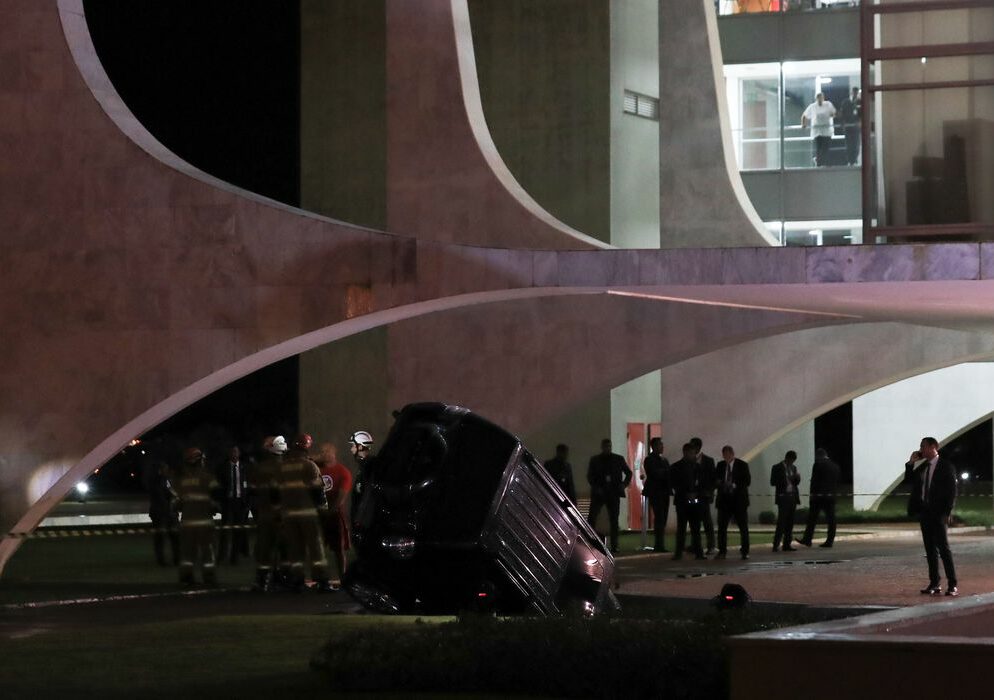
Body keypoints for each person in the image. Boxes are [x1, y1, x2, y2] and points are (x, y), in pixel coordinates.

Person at [278, 433, 334, 592]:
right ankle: (322, 580)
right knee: (316, 548)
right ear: (306, 448)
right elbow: (318, 492)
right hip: (308, 514)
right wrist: (323, 512)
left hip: (289, 515)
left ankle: (297, 580)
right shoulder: (309, 466)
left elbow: (277, 492)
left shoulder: (283, 467)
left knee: (295, 549)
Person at [907, 437, 958, 596]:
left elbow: (951, 491)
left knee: (944, 549)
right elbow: (909, 481)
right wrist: (910, 463)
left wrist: (948, 512)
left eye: (923, 446)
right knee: (930, 550)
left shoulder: (945, 466)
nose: (921, 449)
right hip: (925, 513)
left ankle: (952, 584)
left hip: (939, 513)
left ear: (933, 447)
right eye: (920, 446)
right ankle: (934, 583)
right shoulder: (923, 468)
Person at [174, 447, 220, 586]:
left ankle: (186, 578)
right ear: (199, 460)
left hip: (187, 523)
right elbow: (216, 497)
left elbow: (176, 503)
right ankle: (209, 577)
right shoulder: (207, 477)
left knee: (187, 553)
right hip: (204, 523)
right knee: (207, 553)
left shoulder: (181, 480)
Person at [247, 435, 286, 592]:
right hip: (282, 514)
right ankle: (281, 579)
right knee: (283, 548)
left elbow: (252, 490)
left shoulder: (259, 468)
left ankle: (262, 580)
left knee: (264, 549)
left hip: (264, 514)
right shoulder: (286, 467)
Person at [315, 441, 352, 586]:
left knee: (339, 549)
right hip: (320, 514)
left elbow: (341, 496)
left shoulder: (342, 472)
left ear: (334, 453)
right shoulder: (316, 469)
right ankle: (321, 577)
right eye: (322, 451)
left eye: (327, 451)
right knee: (318, 548)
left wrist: (331, 511)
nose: (325, 454)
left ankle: (343, 577)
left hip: (335, 515)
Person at [586, 438, 632, 554]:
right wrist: (596, 488)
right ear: (602, 447)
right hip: (599, 493)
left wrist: (623, 484)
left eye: (609, 446)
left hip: (613, 493)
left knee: (614, 520)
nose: (607, 448)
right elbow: (590, 476)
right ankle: (589, 541)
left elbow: (628, 472)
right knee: (592, 518)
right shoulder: (595, 460)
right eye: (606, 446)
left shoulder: (618, 459)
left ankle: (615, 545)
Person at [797, 448, 840, 548]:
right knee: (831, 520)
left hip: (818, 497)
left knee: (812, 518)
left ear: (818, 455)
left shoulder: (818, 464)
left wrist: (812, 495)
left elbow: (814, 481)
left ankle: (807, 539)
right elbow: (837, 482)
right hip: (830, 496)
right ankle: (830, 541)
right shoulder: (835, 466)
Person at [216, 445, 250, 565]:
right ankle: (221, 556)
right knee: (225, 530)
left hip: (240, 502)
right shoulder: (223, 468)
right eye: (232, 452)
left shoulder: (244, 467)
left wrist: (247, 502)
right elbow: (219, 487)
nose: (234, 454)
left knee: (238, 530)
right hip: (228, 502)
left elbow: (247, 485)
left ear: (239, 453)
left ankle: (234, 558)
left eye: (236, 451)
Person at [715, 446, 751, 560]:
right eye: (724, 455)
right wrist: (720, 483)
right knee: (722, 527)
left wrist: (734, 484)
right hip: (724, 501)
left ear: (732, 454)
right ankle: (722, 551)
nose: (726, 457)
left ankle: (745, 551)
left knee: (743, 527)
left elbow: (747, 481)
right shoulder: (720, 465)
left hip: (739, 501)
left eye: (728, 454)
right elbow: (715, 480)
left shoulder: (742, 465)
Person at [670, 443, 705, 561]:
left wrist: (696, 493)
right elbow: (674, 483)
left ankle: (699, 552)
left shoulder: (698, 468)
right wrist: (686, 493)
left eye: (693, 453)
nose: (692, 455)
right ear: (685, 452)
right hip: (682, 500)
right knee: (681, 528)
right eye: (690, 453)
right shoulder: (676, 467)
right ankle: (678, 552)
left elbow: (703, 483)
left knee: (696, 528)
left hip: (696, 500)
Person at [145, 459, 179, 567]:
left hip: (169, 513)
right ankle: (162, 561)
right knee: (160, 538)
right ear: (160, 470)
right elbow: (161, 496)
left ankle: (176, 559)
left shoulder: (167, 480)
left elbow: (171, 493)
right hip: (161, 513)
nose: (167, 471)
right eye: (165, 469)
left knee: (174, 537)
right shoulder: (157, 481)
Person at [640, 437, 671, 552]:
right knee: (659, 517)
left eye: (662, 445)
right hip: (656, 492)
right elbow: (655, 473)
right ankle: (659, 544)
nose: (662, 447)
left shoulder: (664, 460)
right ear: (653, 446)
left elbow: (667, 473)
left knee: (663, 518)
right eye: (659, 445)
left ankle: (660, 543)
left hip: (664, 492)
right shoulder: (649, 459)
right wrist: (665, 472)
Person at [689, 437, 716, 554]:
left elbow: (713, 479)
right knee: (693, 520)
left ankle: (711, 546)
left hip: (704, 496)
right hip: (692, 495)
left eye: (693, 446)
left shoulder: (708, 461)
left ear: (698, 447)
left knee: (706, 521)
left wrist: (709, 492)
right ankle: (695, 544)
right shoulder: (689, 460)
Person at [770, 450, 801, 552]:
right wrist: (788, 478)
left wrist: (797, 478)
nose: (791, 463)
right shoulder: (777, 467)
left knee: (790, 522)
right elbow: (773, 482)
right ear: (787, 458)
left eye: (793, 461)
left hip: (792, 497)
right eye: (791, 461)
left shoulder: (794, 468)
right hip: (783, 497)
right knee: (781, 522)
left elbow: (795, 483)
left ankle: (787, 544)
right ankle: (776, 544)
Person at [801, 92, 836, 166]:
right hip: (817, 131)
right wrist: (803, 124)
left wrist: (832, 115)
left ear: (823, 98)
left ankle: (822, 162)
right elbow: (804, 115)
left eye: (821, 98)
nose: (820, 99)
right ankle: (819, 163)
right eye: (818, 98)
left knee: (825, 148)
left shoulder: (828, 104)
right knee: (819, 148)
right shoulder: (812, 106)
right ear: (816, 99)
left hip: (827, 131)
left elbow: (834, 113)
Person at [838, 86, 861, 165]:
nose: (855, 94)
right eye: (854, 92)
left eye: (856, 93)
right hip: (848, 127)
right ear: (851, 93)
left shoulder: (859, 102)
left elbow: (862, 114)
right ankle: (850, 160)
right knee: (849, 145)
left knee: (856, 144)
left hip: (856, 127)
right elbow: (842, 113)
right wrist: (842, 124)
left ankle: (854, 160)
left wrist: (860, 122)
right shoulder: (846, 102)